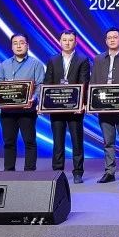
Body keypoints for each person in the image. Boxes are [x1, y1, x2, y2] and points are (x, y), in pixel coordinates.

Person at [41, 30, 91, 184]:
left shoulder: (82, 60)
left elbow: (84, 83)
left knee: (77, 140)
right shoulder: (53, 59)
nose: (67, 43)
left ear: (75, 42)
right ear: (60, 41)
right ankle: (57, 172)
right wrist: (45, 103)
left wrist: (81, 103)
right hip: (56, 108)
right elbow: (47, 82)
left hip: (75, 108)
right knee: (58, 141)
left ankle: (78, 172)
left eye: (70, 40)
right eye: (64, 40)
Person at [0, 33, 45, 172]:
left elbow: (40, 85)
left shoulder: (36, 64)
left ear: (27, 45)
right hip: (7, 112)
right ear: (11, 46)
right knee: (9, 142)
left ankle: (29, 173)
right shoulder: (5, 64)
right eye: (15, 43)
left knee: (29, 142)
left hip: (27, 110)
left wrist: (34, 98)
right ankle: (9, 172)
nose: (18, 46)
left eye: (22, 43)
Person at [91, 27, 119, 184]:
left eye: (115, 37)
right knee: (108, 141)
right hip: (103, 106)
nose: (112, 40)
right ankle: (109, 172)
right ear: (106, 41)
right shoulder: (98, 59)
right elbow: (93, 82)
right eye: (109, 37)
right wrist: (92, 103)